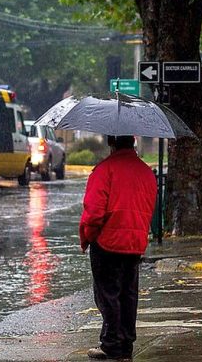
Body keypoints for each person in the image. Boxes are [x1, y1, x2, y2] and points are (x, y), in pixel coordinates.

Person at [79, 135, 157, 360]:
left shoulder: (104, 171)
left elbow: (93, 213)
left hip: (108, 242)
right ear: (132, 142)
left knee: (108, 295)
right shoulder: (146, 172)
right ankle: (126, 346)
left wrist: (89, 237)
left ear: (111, 142)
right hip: (134, 243)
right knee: (128, 294)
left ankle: (111, 343)